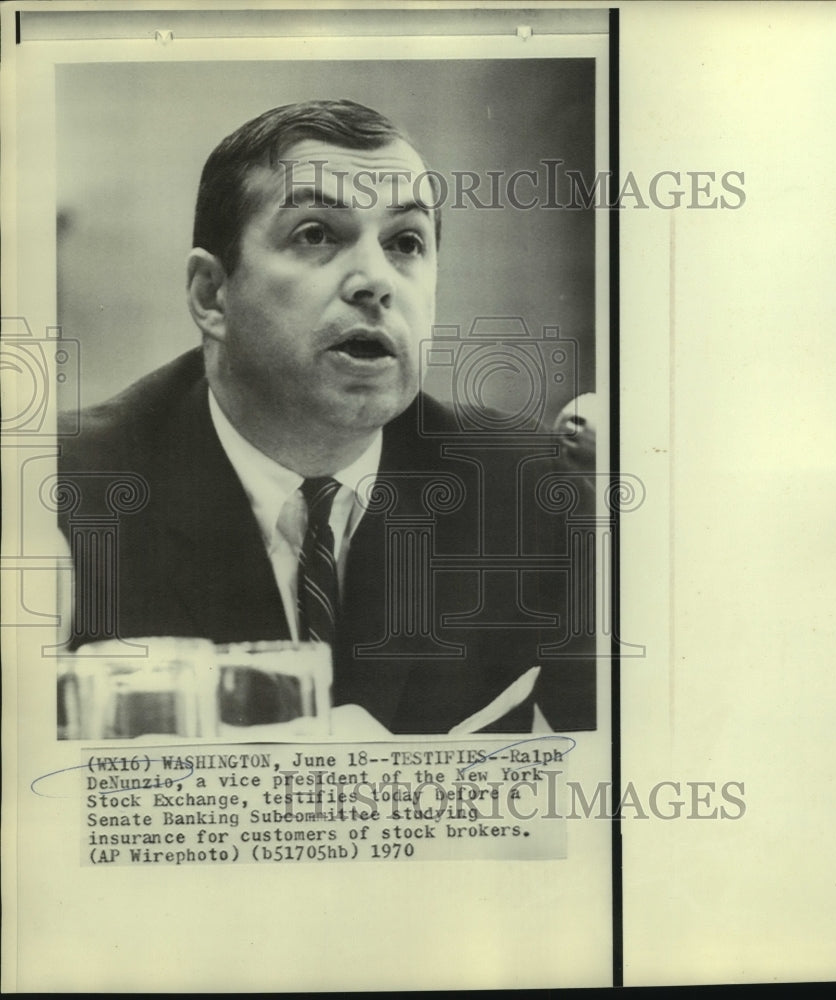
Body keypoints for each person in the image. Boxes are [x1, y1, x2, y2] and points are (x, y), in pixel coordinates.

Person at [57, 99, 596, 735]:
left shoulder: (532, 494)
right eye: (316, 234)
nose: (376, 281)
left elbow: (630, 782)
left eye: (405, 243)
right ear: (211, 295)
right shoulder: (57, 497)